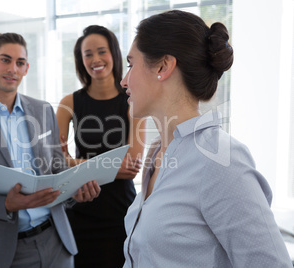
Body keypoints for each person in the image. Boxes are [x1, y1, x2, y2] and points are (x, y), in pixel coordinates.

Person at [120, 10, 293, 267]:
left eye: (131, 64)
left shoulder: (221, 161)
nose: (124, 81)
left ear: (163, 66)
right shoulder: (158, 151)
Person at [0, 32, 101, 268]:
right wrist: (7, 205)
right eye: (5, 60)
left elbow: (57, 168)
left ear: (27, 68)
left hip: (56, 244)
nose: (13, 69)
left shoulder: (43, 111)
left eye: (20, 63)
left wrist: (75, 191)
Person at [56, 25, 145, 268]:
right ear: (80, 60)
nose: (95, 59)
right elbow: (56, 161)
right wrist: (111, 165)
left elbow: (133, 164)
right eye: (88, 54)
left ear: (113, 54)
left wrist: (79, 165)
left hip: (121, 214)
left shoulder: (133, 100)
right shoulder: (69, 103)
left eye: (101, 51)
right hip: (81, 208)